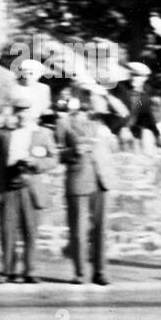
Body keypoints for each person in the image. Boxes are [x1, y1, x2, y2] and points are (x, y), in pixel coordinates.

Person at [0, 89, 56, 283]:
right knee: (7, 231)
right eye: (19, 110)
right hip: (8, 186)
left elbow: (53, 159)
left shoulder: (42, 134)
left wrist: (35, 162)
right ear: (14, 112)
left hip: (31, 187)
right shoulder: (5, 134)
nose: (23, 114)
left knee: (30, 231)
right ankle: (7, 271)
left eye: (27, 110)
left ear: (34, 112)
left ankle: (30, 271)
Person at [56, 85, 116, 285]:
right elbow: (57, 153)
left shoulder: (100, 123)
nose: (85, 103)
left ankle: (101, 272)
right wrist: (73, 152)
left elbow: (121, 116)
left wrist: (104, 95)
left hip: (101, 179)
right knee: (79, 231)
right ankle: (80, 273)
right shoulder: (64, 123)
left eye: (89, 97)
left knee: (100, 230)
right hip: (79, 179)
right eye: (83, 97)